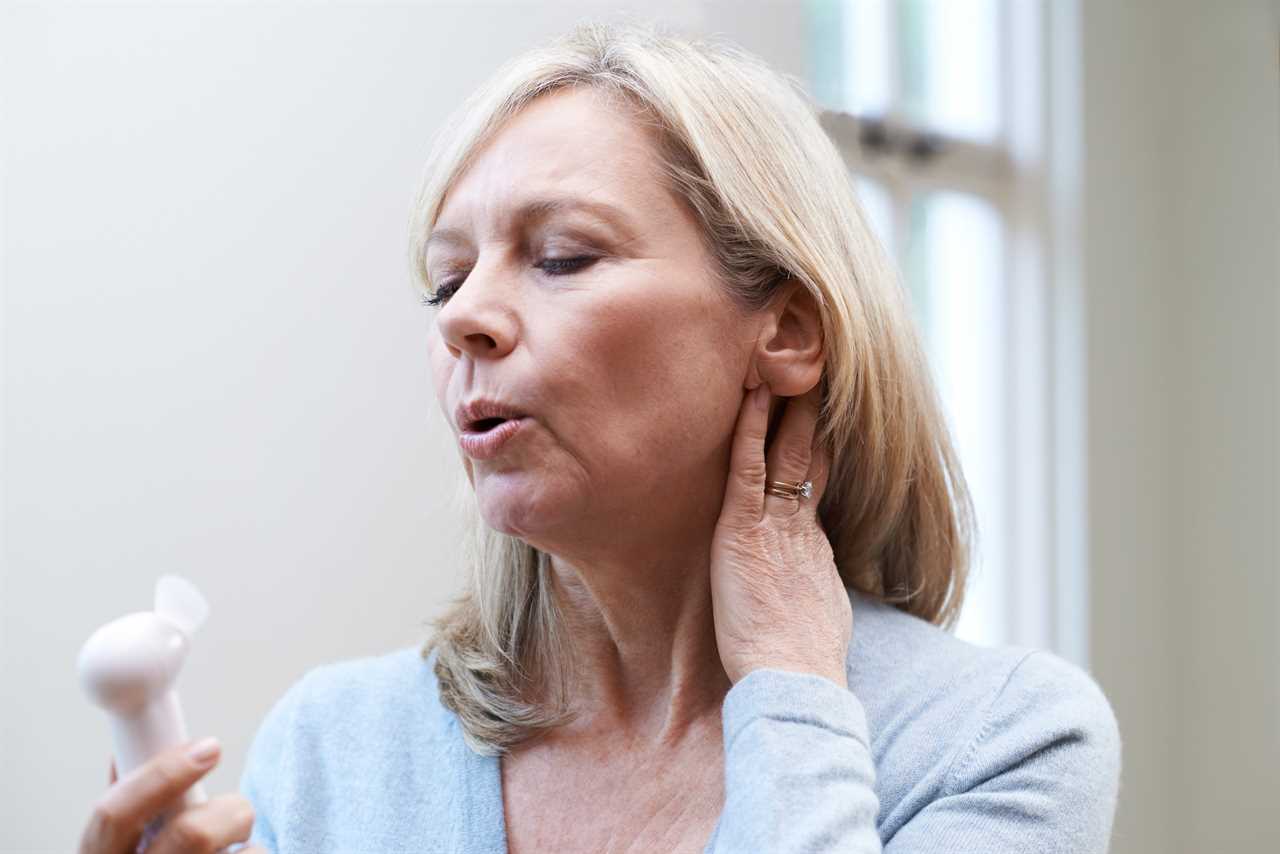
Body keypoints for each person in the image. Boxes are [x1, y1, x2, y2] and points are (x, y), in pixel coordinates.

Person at [79, 21, 1121, 854]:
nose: (461, 317)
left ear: (786, 330)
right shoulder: (332, 747)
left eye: (564, 256)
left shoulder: (999, 741)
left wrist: (793, 695)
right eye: (446, 278)